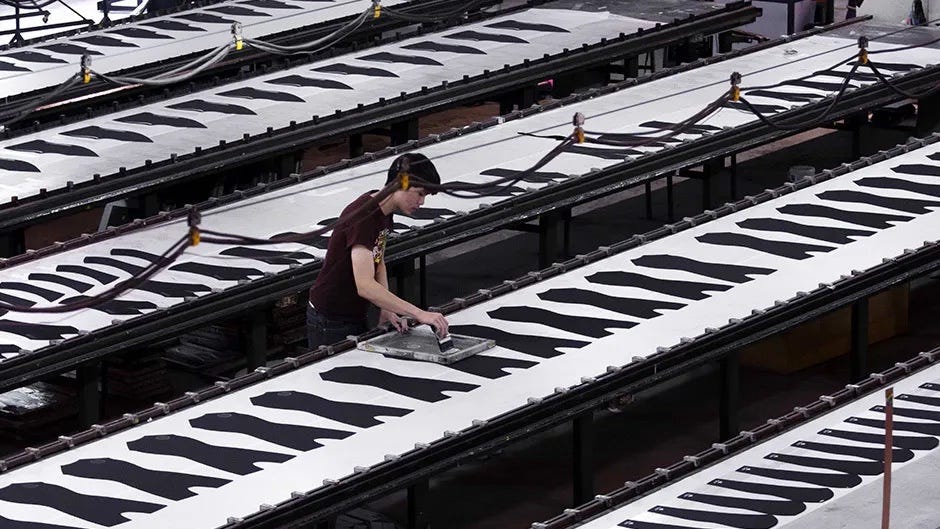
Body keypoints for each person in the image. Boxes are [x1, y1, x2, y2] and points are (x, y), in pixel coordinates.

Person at [307, 152, 449, 349]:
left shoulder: (383, 211)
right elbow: (364, 285)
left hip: (350, 314)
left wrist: (386, 307)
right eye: (420, 193)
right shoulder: (364, 216)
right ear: (402, 183)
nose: (422, 202)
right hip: (331, 321)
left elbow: (377, 259)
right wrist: (419, 313)